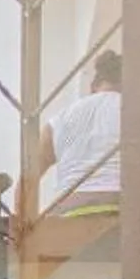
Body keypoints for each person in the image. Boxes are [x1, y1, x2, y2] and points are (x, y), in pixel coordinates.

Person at [37, 49, 121, 217]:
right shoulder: (139, 112)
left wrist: (25, 229)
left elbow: (27, 179)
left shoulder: (60, 119)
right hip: (120, 208)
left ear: (93, 86)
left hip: (70, 212)